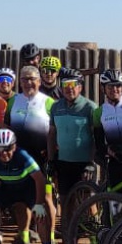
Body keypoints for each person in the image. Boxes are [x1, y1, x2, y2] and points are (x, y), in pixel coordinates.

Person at [47, 68, 99, 198]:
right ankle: (67, 220)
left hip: (85, 163)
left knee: (89, 202)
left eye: (73, 84)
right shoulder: (55, 107)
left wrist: (91, 163)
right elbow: (52, 135)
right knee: (66, 201)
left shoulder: (90, 107)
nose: (69, 88)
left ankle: (94, 220)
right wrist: (51, 160)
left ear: (80, 87)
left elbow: (96, 137)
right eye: (65, 84)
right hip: (63, 162)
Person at [4, 66, 53, 168]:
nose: (28, 83)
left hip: (41, 156)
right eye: (24, 79)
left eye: (32, 79)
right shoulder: (13, 101)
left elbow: (55, 131)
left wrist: (51, 155)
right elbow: (6, 127)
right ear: (20, 82)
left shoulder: (48, 102)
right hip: (17, 155)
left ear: (39, 81)